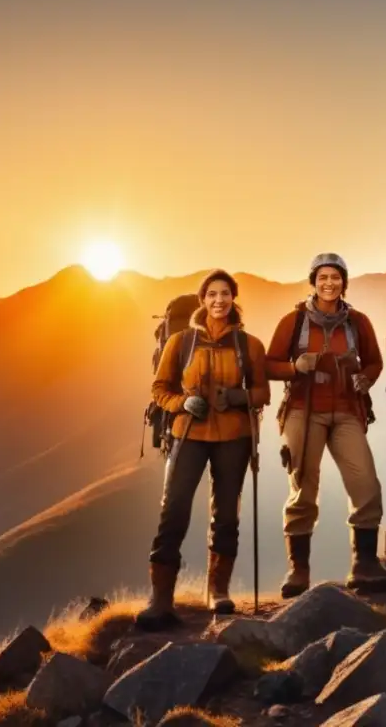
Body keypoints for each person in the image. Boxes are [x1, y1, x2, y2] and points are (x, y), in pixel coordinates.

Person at [136, 269, 271, 629]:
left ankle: (218, 591)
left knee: (226, 514)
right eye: (212, 294)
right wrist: (181, 404)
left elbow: (262, 394)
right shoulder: (180, 343)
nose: (219, 300)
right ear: (202, 299)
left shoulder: (249, 345)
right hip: (188, 434)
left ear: (233, 299)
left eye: (225, 294)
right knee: (174, 511)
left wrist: (237, 396)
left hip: (234, 436)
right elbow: (159, 389)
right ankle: (161, 599)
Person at [266, 253, 386, 597]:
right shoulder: (294, 321)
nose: (329, 283)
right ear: (313, 281)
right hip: (302, 409)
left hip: (346, 410)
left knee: (365, 482)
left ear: (344, 281)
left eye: (335, 277)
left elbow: (373, 361)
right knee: (303, 485)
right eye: (323, 277)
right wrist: (297, 368)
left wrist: (365, 380)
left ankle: (364, 565)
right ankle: (299, 570)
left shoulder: (357, 321)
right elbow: (270, 364)